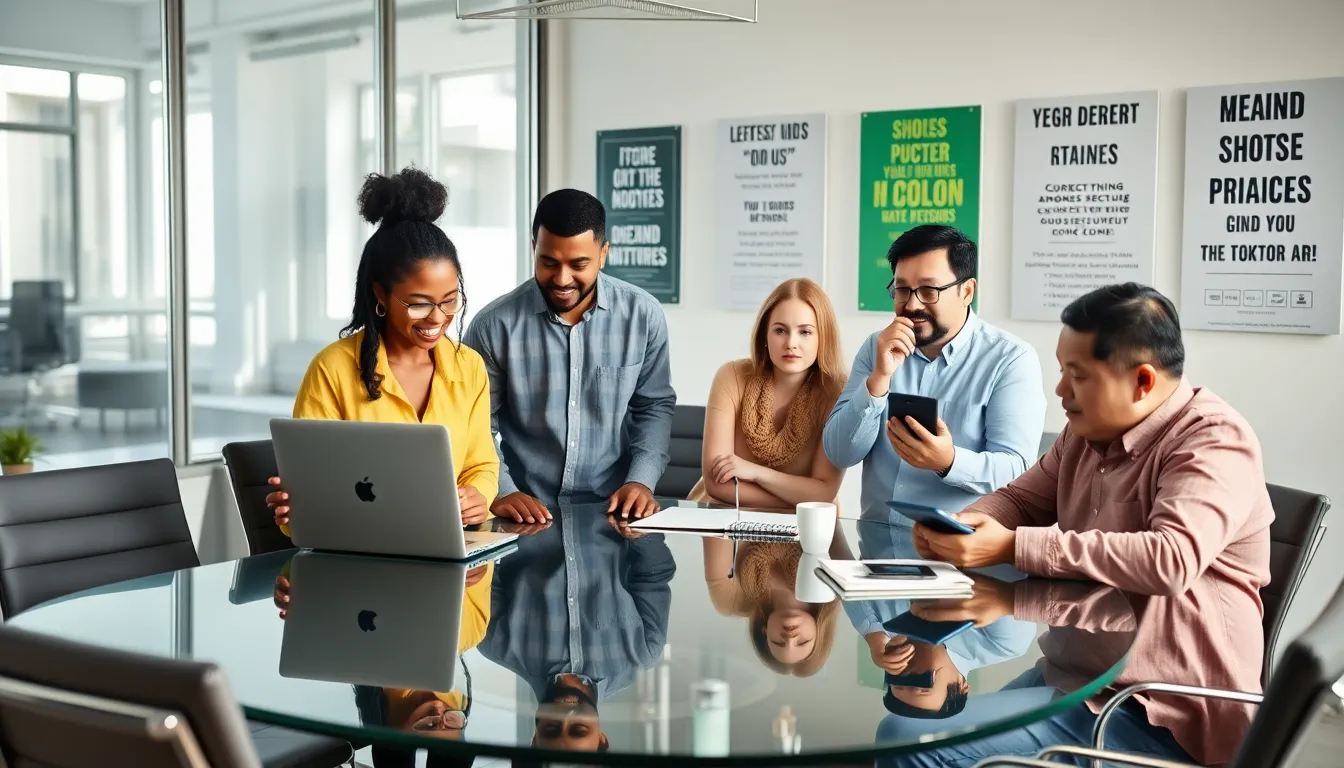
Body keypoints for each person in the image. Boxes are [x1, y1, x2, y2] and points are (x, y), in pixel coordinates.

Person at [912, 283, 1273, 766]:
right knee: (908, 727)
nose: (1059, 391)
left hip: (1158, 709)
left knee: (924, 752)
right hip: (1076, 679)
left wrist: (1011, 547)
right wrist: (968, 526)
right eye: (1062, 371)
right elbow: (1022, 499)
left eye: (1076, 376)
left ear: (1142, 382)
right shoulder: (1084, 432)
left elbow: (1170, 560)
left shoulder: (1213, 440)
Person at [267, 168, 497, 534]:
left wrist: (477, 496)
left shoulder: (468, 366)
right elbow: (307, 493)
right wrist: (294, 506)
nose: (437, 319)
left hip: (456, 565)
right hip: (361, 563)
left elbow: (482, 464)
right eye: (419, 304)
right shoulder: (333, 369)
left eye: (450, 301)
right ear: (380, 294)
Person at [463, 189, 675, 523]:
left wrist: (641, 480)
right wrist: (502, 490)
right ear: (533, 248)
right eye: (549, 263)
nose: (562, 279)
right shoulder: (492, 327)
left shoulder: (643, 316)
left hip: (614, 513)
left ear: (603, 253)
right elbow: (475, 424)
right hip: (525, 516)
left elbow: (653, 407)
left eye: (578, 264)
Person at [823, 225, 1044, 527]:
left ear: (966, 291)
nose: (912, 304)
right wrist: (878, 380)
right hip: (875, 549)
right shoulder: (877, 347)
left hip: (963, 557)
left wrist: (949, 461)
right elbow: (838, 453)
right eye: (902, 290)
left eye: (929, 290)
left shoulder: (1010, 360)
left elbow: (1018, 470)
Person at [478, 504, 675, 754]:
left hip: (525, 489)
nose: (567, 716)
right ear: (601, 738)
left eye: (552, 730)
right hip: (611, 495)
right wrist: (639, 530)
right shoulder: (644, 652)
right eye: (578, 730)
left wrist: (504, 502)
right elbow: (653, 576)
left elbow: (482, 562)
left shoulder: (495, 644)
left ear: (534, 738)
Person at [692, 278, 846, 509]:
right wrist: (798, 500)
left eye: (805, 332)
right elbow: (717, 484)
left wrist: (755, 473)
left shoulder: (836, 393)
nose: (791, 343)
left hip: (804, 527)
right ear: (765, 335)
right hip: (723, 515)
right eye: (780, 330)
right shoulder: (731, 376)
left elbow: (824, 490)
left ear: (823, 337)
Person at [702, 538, 843, 677]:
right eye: (803, 642)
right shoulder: (829, 585)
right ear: (819, 632)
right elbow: (830, 525)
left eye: (778, 642)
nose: (790, 637)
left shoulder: (731, 601)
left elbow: (718, 524)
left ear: (765, 632)